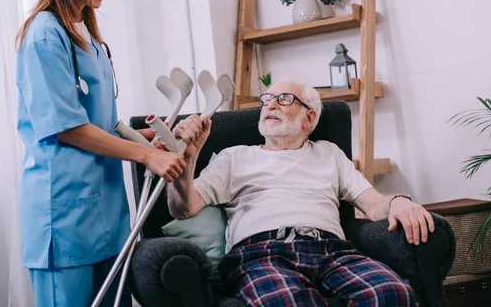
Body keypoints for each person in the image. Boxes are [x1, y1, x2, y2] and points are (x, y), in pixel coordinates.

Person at [15, 0, 186, 307]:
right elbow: (69, 128)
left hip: (105, 211)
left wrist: (145, 140)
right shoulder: (44, 35)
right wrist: (147, 156)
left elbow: (104, 119)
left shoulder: (87, 34)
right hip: (65, 214)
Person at [168, 80, 436, 306]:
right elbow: (184, 207)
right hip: (261, 254)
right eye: (267, 99)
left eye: (284, 99)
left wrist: (400, 202)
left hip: (333, 251)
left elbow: (375, 205)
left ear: (309, 117)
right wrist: (187, 160)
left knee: (394, 295)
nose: (270, 105)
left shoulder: (329, 153)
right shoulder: (234, 158)